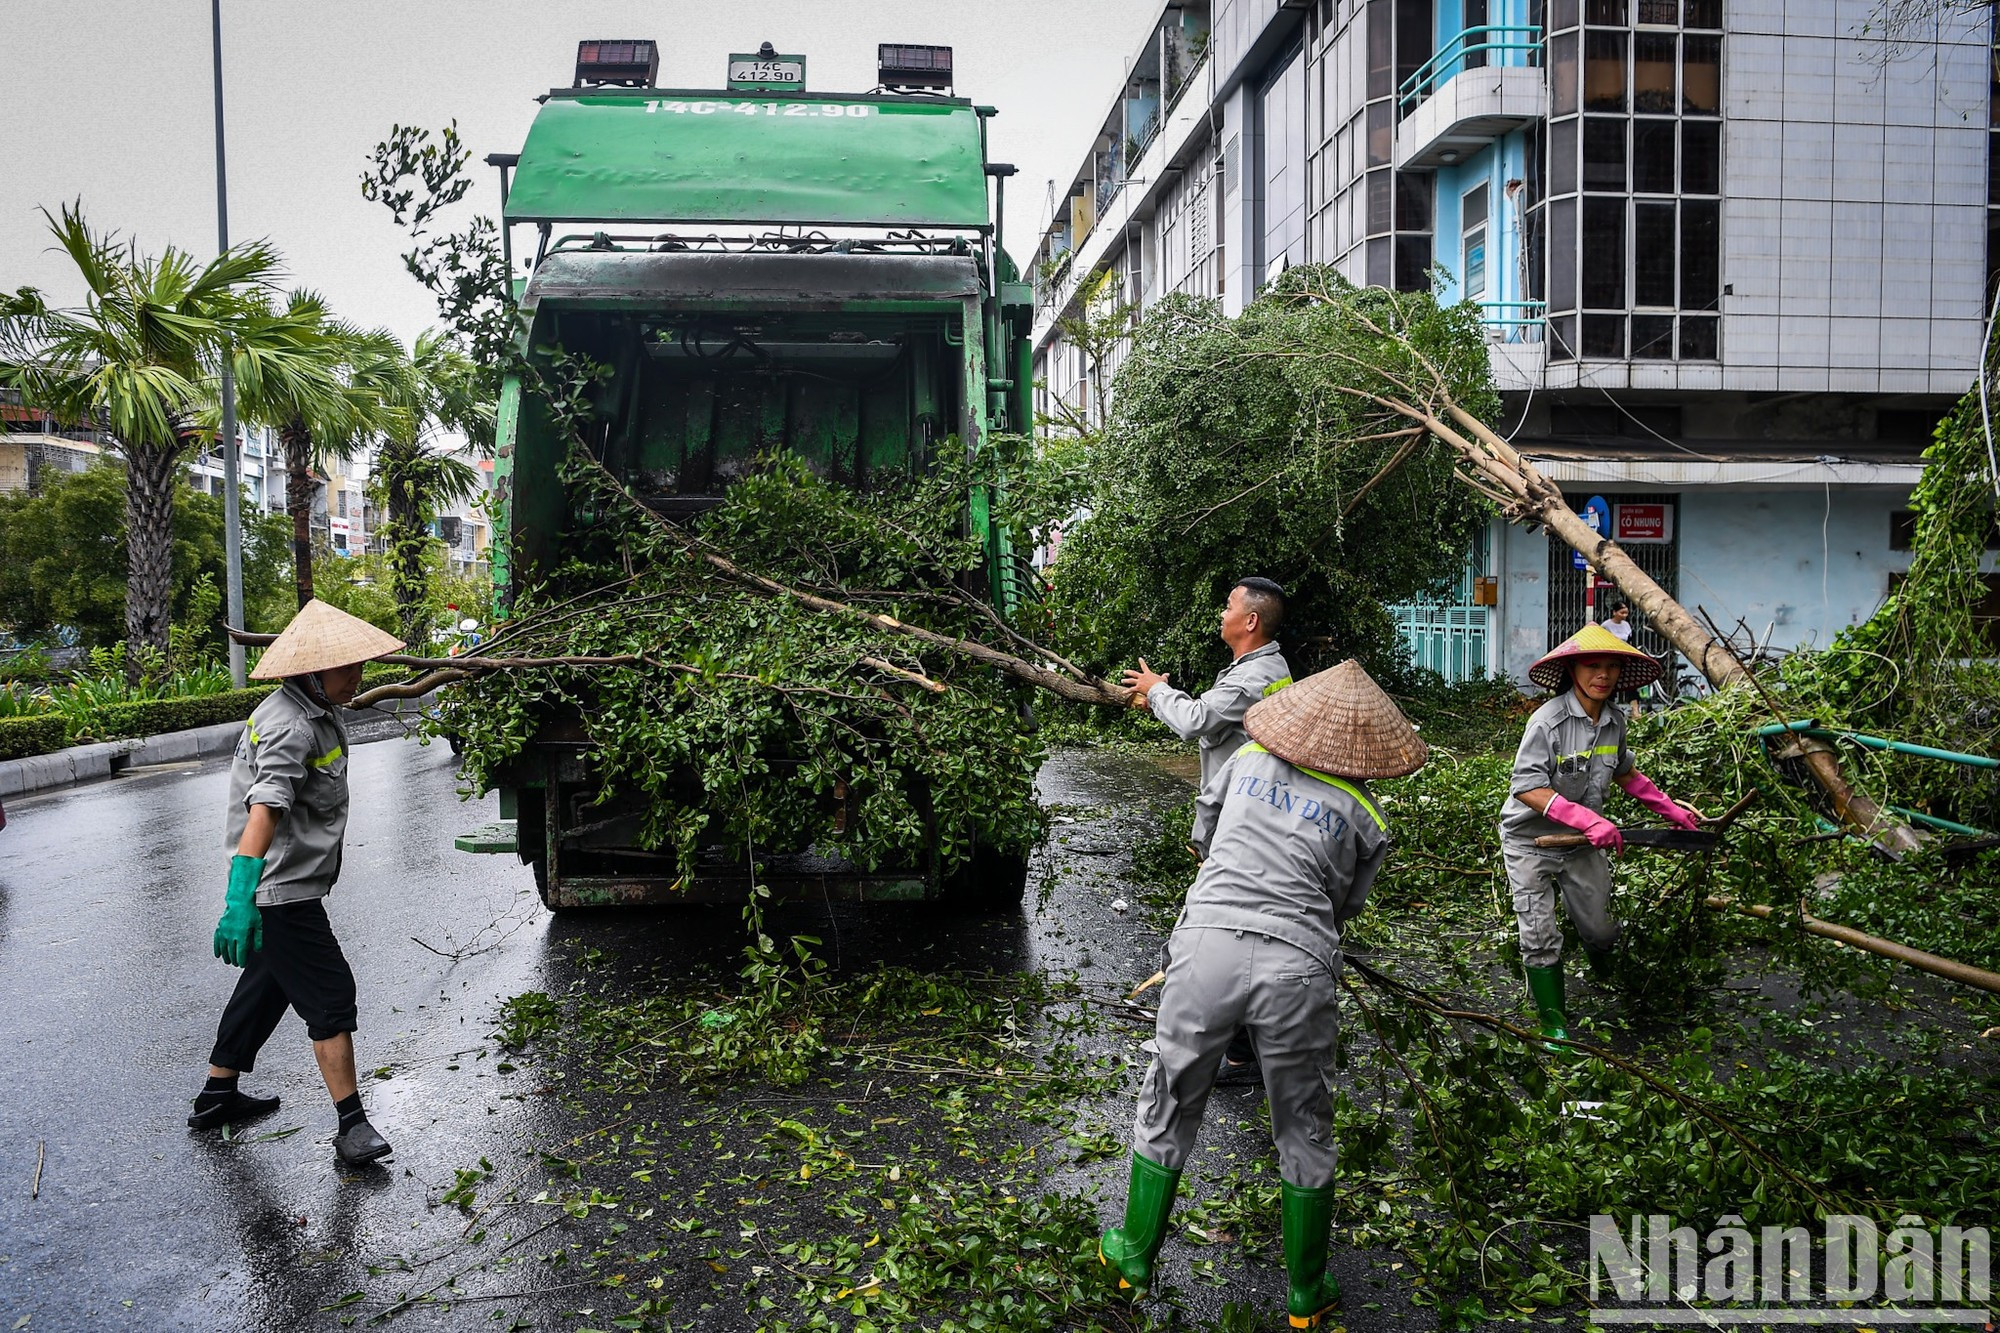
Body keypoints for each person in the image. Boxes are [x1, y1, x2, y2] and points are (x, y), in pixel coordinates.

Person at [1100, 661, 1426, 1329]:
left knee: (1170, 1094)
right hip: (1299, 966)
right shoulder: (1369, 814)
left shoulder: (1245, 756)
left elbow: (1204, 837)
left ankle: (1133, 1256)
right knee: (1304, 1124)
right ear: (1366, 748)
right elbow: (1344, 906)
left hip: (1206, 949)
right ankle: (1307, 1292)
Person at [189, 599, 405, 1167]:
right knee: (330, 997)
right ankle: (352, 1127)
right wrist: (240, 900)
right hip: (281, 889)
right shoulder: (289, 725)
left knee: (266, 986)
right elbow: (265, 809)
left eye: (360, 665)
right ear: (311, 670)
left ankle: (217, 1097)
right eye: (348, 667)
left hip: (287, 884)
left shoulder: (312, 707)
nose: (358, 677)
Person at [1121, 577, 1294, 1083]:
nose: (1221, 613)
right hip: (1244, 820)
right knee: (1234, 929)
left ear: (1251, 621)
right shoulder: (1262, 670)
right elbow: (1217, 723)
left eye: (1228, 606)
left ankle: (1232, 1050)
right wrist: (1159, 696)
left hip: (1238, 825)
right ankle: (1244, 1048)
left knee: (1212, 931)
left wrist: (1158, 693)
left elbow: (1197, 720)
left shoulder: (1254, 676)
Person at [1500, 623, 1703, 1050]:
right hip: (1530, 843)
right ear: (1573, 670)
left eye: (1612, 667)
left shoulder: (1613, 721)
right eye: (1594, 665)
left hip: (1582, 845)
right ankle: (1553, 1022)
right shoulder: (1547, 722)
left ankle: (1606, 972)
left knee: (1602, 928)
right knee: (1538, 933)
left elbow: (1625, 771)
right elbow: (1528, 787)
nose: (1604, 675)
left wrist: (1669, 808)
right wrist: (1587, 819)